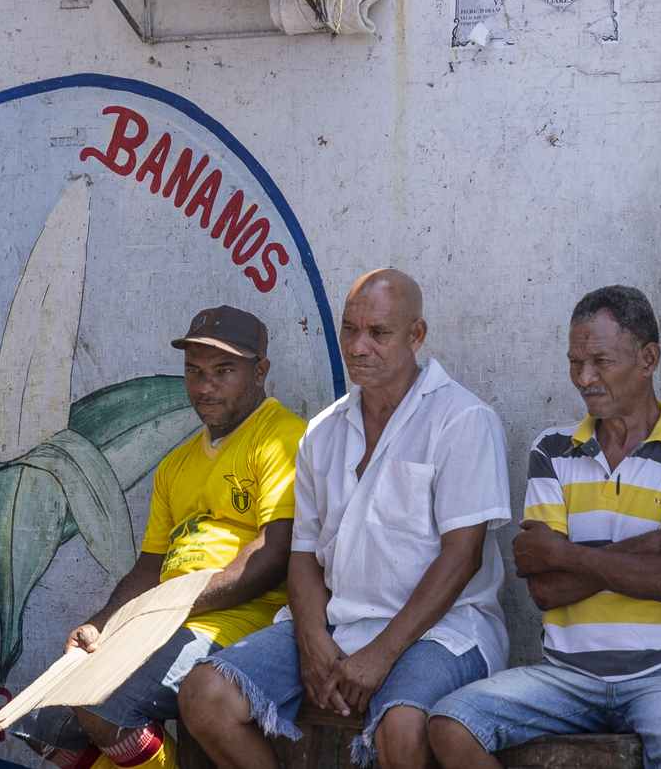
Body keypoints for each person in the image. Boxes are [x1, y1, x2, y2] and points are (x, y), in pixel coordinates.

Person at [179, 269, 511, 769]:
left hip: (442, 630)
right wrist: (312, 637)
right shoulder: (323, 431)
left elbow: (462, 557)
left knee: (401, 730)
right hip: (337, 625)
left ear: (415, 336)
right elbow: (305, 553)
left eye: (378, 333)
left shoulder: (462, 420)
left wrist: (380, 655)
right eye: (349, 330)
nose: (358, 347)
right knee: (204, 694)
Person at [427, 285, 661, 769]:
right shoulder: (552, 449)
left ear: (648, 358)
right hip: (568, 676)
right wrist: (650, 546)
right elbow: (546, 592)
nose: (585, 377)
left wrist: (561, 553)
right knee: (450, 723)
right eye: (575, 362)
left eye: (601, 362)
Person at [13, 304, 306, 769]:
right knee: (40, 722)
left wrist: (169, 609)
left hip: (234, 621)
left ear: (260, 371)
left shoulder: (282, 437)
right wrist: (104, 624)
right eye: (194, 371)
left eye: (224, 370)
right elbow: (150, 566)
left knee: (99, 709)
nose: (205, 386)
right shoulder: (176, 463)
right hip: (165, 618)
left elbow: (272, 555)